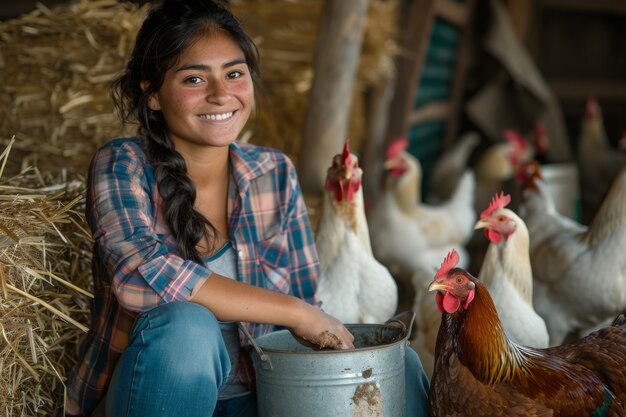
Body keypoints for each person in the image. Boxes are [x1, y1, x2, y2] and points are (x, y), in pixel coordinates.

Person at [65, 1, 429, 416]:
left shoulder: (273, 171)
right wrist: (292, 311)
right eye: (194, 78)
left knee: (400, 363)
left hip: (262, 397)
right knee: (188, 329)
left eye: (234, 74)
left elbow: (307, 299)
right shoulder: (122, 165)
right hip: (154, 397)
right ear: (152, 95)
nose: (221, 94)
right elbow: (137, 277)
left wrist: (335, 339)